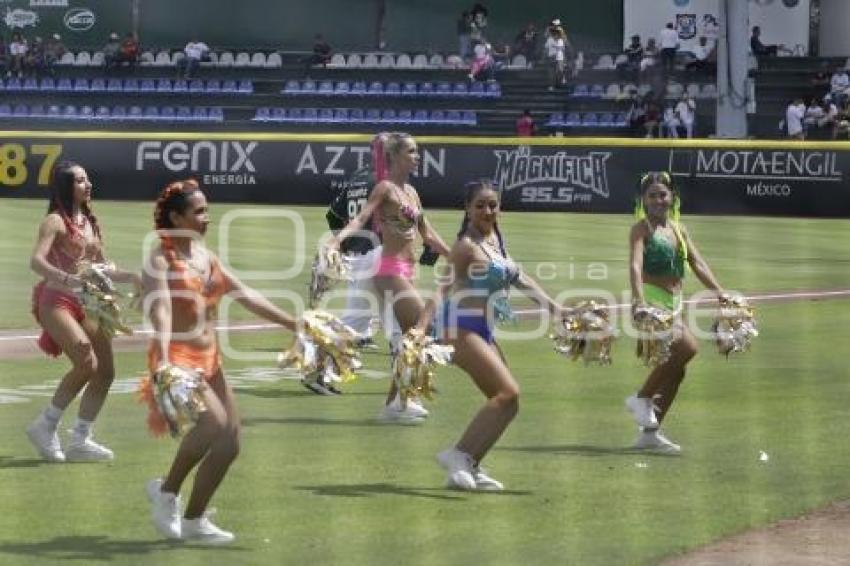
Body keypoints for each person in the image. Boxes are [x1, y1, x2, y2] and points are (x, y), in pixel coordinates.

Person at [143, 179, 296, 543]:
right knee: (212, 425)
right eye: (198, 212)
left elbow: (246, 294)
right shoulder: (160, 260)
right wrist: (164, 360)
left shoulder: (206, 258)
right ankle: (167, 492)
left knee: (230, 443)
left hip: (210, 360)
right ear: (177, 218)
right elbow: (162, 311)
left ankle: (194, 520)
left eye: (207, 210)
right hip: (176, 360)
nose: (206, 218)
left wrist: (295, 323)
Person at [415, 180, 567, 490]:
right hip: (459, 328)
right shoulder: (466, 245)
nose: (488, 210)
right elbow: (442, 289)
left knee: (508, 404)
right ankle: (457, 455)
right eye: (481, 205)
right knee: (507, 392)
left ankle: (471, 464)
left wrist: (555, 309)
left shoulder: (495, 238)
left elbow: (519, 277)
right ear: (468, 209)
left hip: (483, 328)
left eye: (493, 205)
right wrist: (419, 329)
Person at [328, 132, 451, 423]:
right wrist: (336, 241)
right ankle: (399, 402)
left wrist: (454, 254)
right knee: (421, 329)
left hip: (409, 270)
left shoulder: (412, 192)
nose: (417, 156)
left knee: (410, 336)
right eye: (411, 151)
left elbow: (428, 234)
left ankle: (395, 404)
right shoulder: (384, 188)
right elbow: (360, 219)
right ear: (394, 156)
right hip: (389, 268)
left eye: (417, 151)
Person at [27, 161, 141, 463]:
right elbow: (36, 261)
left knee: (106, 371)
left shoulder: (91, 221)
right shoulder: (54, 221)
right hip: (56, 301)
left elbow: (104, 269)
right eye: (80, 181)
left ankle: (80, 439)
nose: (87, 184)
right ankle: (45, 424)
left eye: (87, 179)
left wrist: (133, 276)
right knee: (85, 360)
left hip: (87, 303)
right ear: (66, 187)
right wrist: (68, 279)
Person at [626, 172, 725, 454]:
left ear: (672, 198)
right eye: (652, 195)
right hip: (652, 303)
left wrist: (720, 292)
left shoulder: (680, 229)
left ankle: (649, 434)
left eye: (663, 195)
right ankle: (641, 397)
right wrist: (640, 301)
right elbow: (635, 266)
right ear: (643, 200)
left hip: (675, 303)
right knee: (688, 345)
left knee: (677, 372)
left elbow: (697, 263)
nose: (658, 200)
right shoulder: (640, 229)